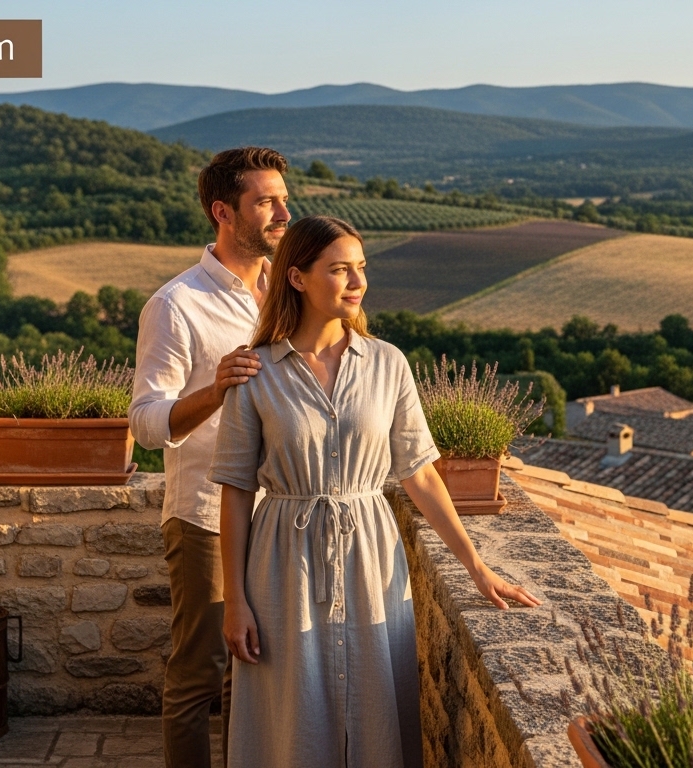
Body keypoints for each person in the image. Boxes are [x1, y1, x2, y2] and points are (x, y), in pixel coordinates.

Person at [209, 215, 541, 768]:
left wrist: (476, 567)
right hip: (280, 566)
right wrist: (236, 601)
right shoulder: (256, 372)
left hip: (370, 556)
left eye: (361, 267)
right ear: (297, 277)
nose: (358, 281)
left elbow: (421, 474)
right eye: (340, 269)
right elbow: (237, 492)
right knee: (288, 711)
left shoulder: (389, 363)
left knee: (370, 706)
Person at [127, 147, 290, 768]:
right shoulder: (176, 305)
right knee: (200, 670)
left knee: (262, 668)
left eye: (282, 197)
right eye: (266, 201)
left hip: (281, 511)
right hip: (202, 516)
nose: (282, 211)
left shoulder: (288, 289)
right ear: (224, 212)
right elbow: (145, 424)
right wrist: (216, 388)